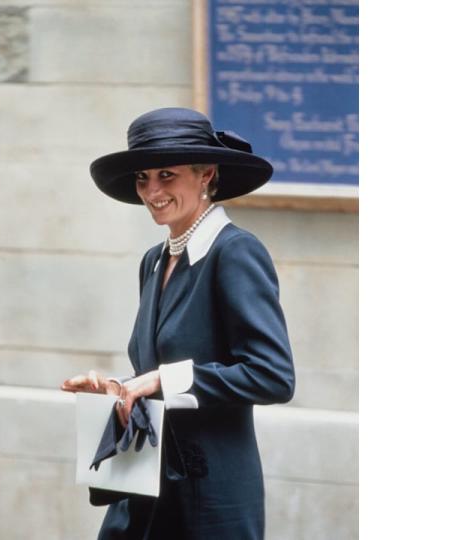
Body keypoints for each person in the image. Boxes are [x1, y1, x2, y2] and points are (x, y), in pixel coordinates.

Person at [60, 107, 295, 540]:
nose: (152, 191)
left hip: (211, 499)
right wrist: (118, 389)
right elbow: (159, 370)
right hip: (142, 489)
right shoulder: (154, 260)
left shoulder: (236, 253)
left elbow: (272, 376)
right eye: (142, 178)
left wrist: (159, 381)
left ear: (205, 174)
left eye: (166, 175)